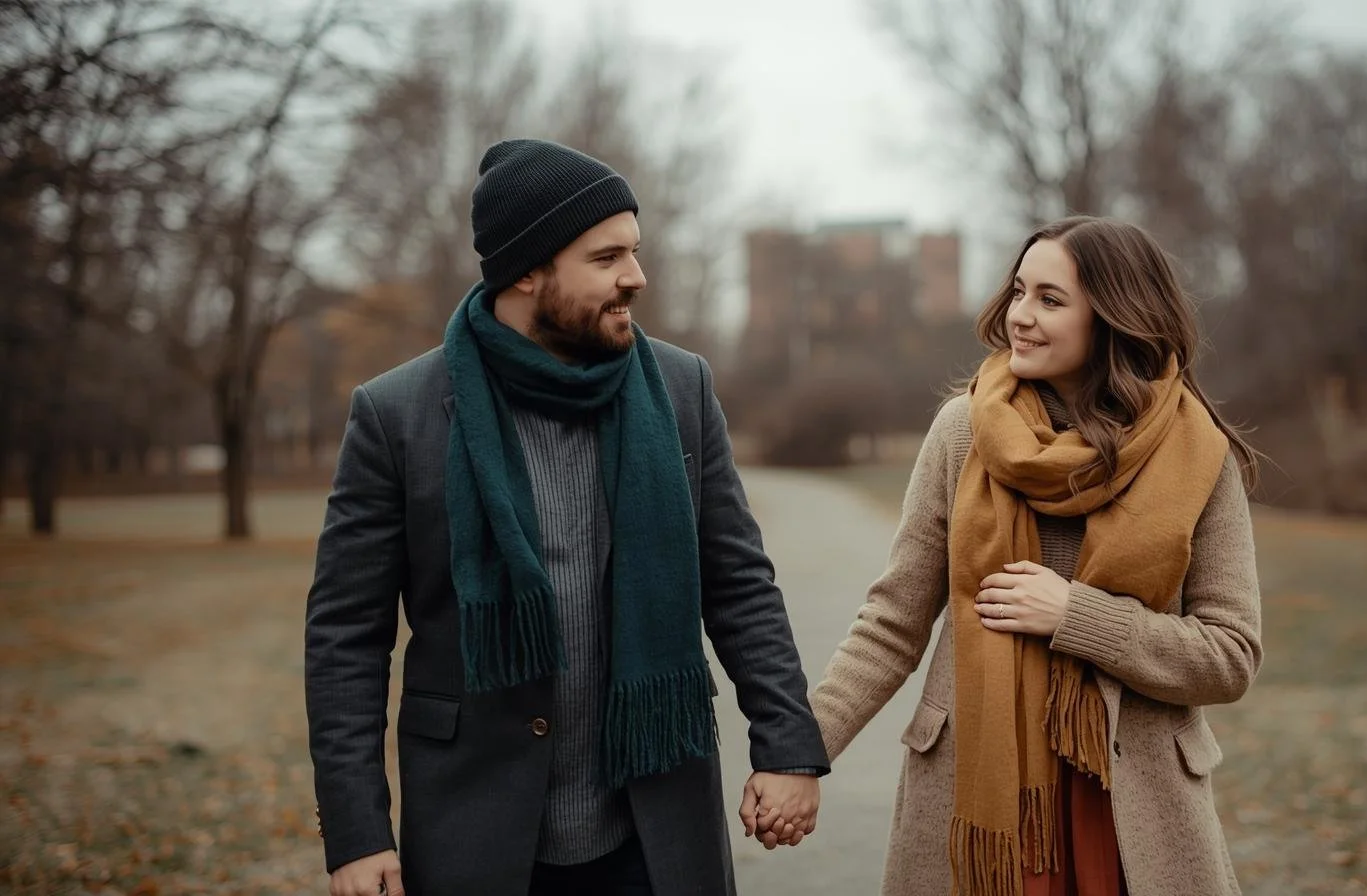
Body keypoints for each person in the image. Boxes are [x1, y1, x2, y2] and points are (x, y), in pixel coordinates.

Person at [305, 139, 827, 896]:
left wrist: (788, 746)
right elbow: (345, 638)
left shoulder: (680, 392)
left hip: (652, 833)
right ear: (527, 268)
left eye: (635, 252)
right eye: (607, 257)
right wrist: (356, 830)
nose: (636, 277)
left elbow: (740, 582)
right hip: (475, 833)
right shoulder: (397, 415)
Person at [809, 216, 1264, 896]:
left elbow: (1229, 656)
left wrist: (1077, 615)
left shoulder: (1197, 456)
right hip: (985, 789)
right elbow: (892, 623)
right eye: (1019, 291)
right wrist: (802, 749)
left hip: (1128, 799)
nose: (1020, 316)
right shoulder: (963, 432)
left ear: (1114, 319)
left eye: (1050, 300)